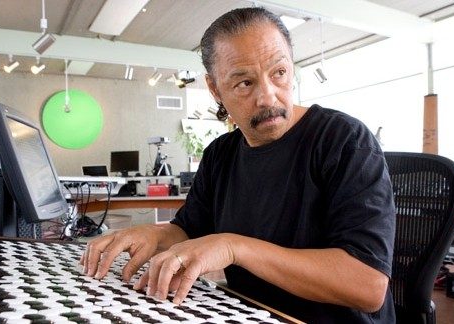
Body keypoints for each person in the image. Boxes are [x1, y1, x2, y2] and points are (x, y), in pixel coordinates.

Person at [82, 7, 396, 323]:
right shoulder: (221, 153)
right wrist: (152, 235)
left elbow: (367, 286)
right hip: (249, 313)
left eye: (279, 72)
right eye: (244, 83)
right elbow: (188, 231)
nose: (268, 97)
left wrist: (235, 247)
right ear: (216, 89)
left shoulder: (344, 141)